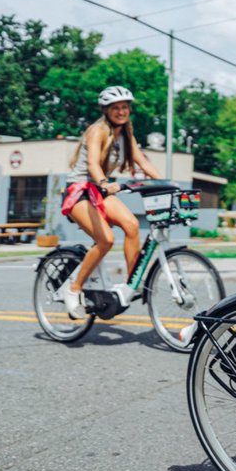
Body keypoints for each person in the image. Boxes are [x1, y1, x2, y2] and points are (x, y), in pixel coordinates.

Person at [58, 86, 163, 319]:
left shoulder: (125, 134)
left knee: (132, 225)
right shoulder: (97, 130)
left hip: (100, 190)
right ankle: (73, 288)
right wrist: (105, 183)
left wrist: (166, 182)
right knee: (106, 239)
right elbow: (93, 164)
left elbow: (143, 162)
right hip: (79, 190)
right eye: (116, 108)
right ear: (106, 110)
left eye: (125, 107)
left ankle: (132, 282)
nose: (121, 111)